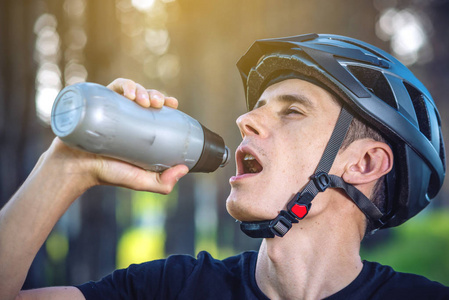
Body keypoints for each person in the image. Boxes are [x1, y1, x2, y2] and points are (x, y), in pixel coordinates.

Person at [0, 33, 448, 299]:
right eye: (257, 107)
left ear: (365, 163)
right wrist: (66, 167)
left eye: (291, 111)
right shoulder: (173, 288)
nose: (245, 119)